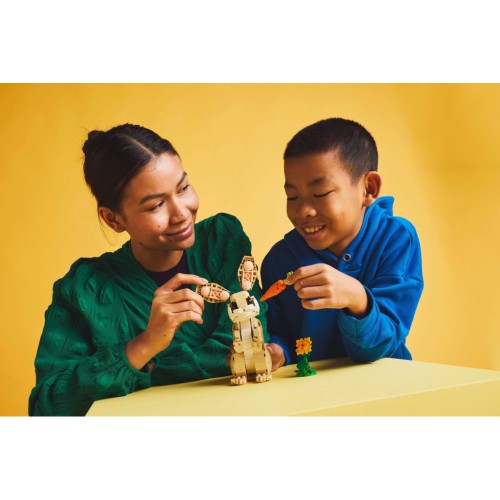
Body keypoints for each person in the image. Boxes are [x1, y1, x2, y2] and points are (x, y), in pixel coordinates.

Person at [29, 123, 273, 416]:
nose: (181, 213)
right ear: (113, 219)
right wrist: (144, 345)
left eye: (183, 188)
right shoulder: (84, 289)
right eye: (156, 205)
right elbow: (46, 408)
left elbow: (246, 346)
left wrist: (155, 367)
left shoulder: (222, 240)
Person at [261, 117, 424, 367]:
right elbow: (284, 335)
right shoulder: (279, 260)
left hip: (386, 385)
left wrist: (357, 299)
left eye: (320, 194)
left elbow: (384, 343)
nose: (303, 210)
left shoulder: (396, 239)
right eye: (292, 196)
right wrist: (278, 351)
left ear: (368, 189)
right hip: (312, 389)